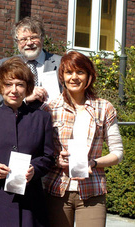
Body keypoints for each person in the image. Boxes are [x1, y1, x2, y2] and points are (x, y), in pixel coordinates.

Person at [41, 51, 124, 227]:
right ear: (62, 76)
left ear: (89, 76)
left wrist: (93, 163)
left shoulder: (104, 108)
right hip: (57, 190)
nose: (74, 77)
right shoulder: (49, 109)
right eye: (69, 72)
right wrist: (57, 160)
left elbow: (118, 153)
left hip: (92, 190)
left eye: (80, 72)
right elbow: (40, 150)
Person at [0, 57, 55, 226]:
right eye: (8, 84)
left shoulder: (42, 119)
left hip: (31, 203)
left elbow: (48, 156)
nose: (14, 90)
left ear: (27, 88)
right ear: (0, 87)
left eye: (19, 84)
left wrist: (35, 168)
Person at [0, 16, 62, 109]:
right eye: (23, 39)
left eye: (34, 37)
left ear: (42, 38)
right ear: (17, 42)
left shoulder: (60, 63)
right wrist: (24, 97)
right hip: (17, 120)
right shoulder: (5, 64)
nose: (29, 43)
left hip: (52, 119)